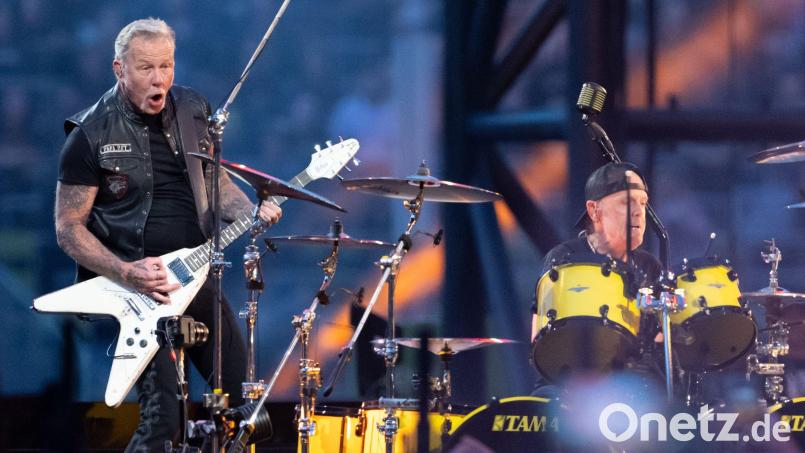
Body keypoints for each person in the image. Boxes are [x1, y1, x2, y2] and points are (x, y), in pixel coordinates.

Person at [55, 18, 282, 451]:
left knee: (248, 408)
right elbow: (68, 229)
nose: (159, 79)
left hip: (195, 276)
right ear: (119, 69)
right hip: (136, 292)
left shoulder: (194, 108)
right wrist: (126, 271)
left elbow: (215, 184)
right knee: (164, 423)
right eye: (146, 68)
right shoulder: (90, 134)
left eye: (166, 66)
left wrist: (251, 212)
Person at [530, 162, 662, 395]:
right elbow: (539, 338)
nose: (639, 211)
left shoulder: (648, 266)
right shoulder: (564, 258)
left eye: (642, 203)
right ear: (594, 211)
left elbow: (660, 340)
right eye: (627, 202)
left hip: (633, 386)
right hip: (569, 383)